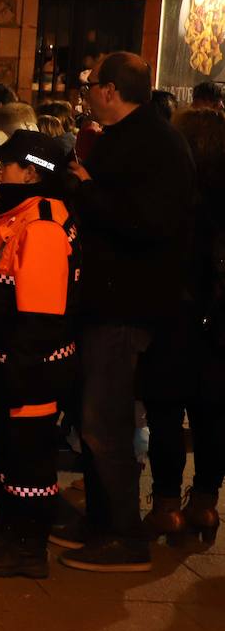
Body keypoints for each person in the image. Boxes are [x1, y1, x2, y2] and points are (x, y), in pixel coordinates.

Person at [61, 52, 194, 572]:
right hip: (103, 298)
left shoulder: (155, 143)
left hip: (126, 303)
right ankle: (101, 523)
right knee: (92, 416)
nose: (87, 92)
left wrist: (87, 190)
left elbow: (151, 222)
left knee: (105, 421)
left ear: (111, 90)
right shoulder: (123, 137)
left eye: (91, 84)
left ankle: (124, 535)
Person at [0, 131, 79, 579]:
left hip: (33, 366)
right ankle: (10, 533)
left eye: (5, 164)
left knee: (30, 458)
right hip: (19, 362)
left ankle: (27, 548)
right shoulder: (20, 212)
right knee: (14, 453)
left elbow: (42, 313)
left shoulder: (40, 222)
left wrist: (22, 370)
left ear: (29, 171)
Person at [138, 108, 225, 545]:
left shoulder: (176, 195)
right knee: (214, 416)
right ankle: (206, 504)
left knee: (167, 414)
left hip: (176, 318)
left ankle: (167, 506)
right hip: (220, 323)